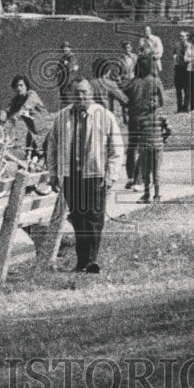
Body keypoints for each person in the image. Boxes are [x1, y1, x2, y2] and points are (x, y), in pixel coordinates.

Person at [47, 77, 123, 274]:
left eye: (84, 92)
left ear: (91, 93)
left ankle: (90, 261)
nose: (81, 96)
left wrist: (110, 176)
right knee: (78, 218)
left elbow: (117, 149)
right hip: (71, 176)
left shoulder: (105, 117)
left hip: (95, 175)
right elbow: (52, 146)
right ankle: (82, 261)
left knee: (94, 218)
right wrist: (53, 173)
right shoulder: (62, 117)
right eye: (77, 92)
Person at [123, 54, 165, 191]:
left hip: (134, 118)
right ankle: (140, 179)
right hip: (149, 117)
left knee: (132, 147)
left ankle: (131, 177)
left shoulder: (133, 82)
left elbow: (124, 99)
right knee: (146, 149)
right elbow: (162, 101)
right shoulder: (155, 81)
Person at [6, 75, 50, 156]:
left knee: (44, 154)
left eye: (21, 85)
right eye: (16, 86)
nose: (19, 88)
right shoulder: (16, 100)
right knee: (29, 155)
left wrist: (15, 116)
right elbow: (7, 112)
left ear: (26, 86)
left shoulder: (32, 95)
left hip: (46, 130)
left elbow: (24, 109)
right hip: (33, 132)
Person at [172, 31, 190, 112]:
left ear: (187, 37)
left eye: (183, 36)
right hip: (178, 69)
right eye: (180, 36)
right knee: (178, 90)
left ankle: (186, 107)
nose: (181, 38)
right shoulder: (177, 45)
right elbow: (174, 54)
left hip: (187, 69)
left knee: (187, 90)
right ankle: (179, 108)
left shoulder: (190, 46)